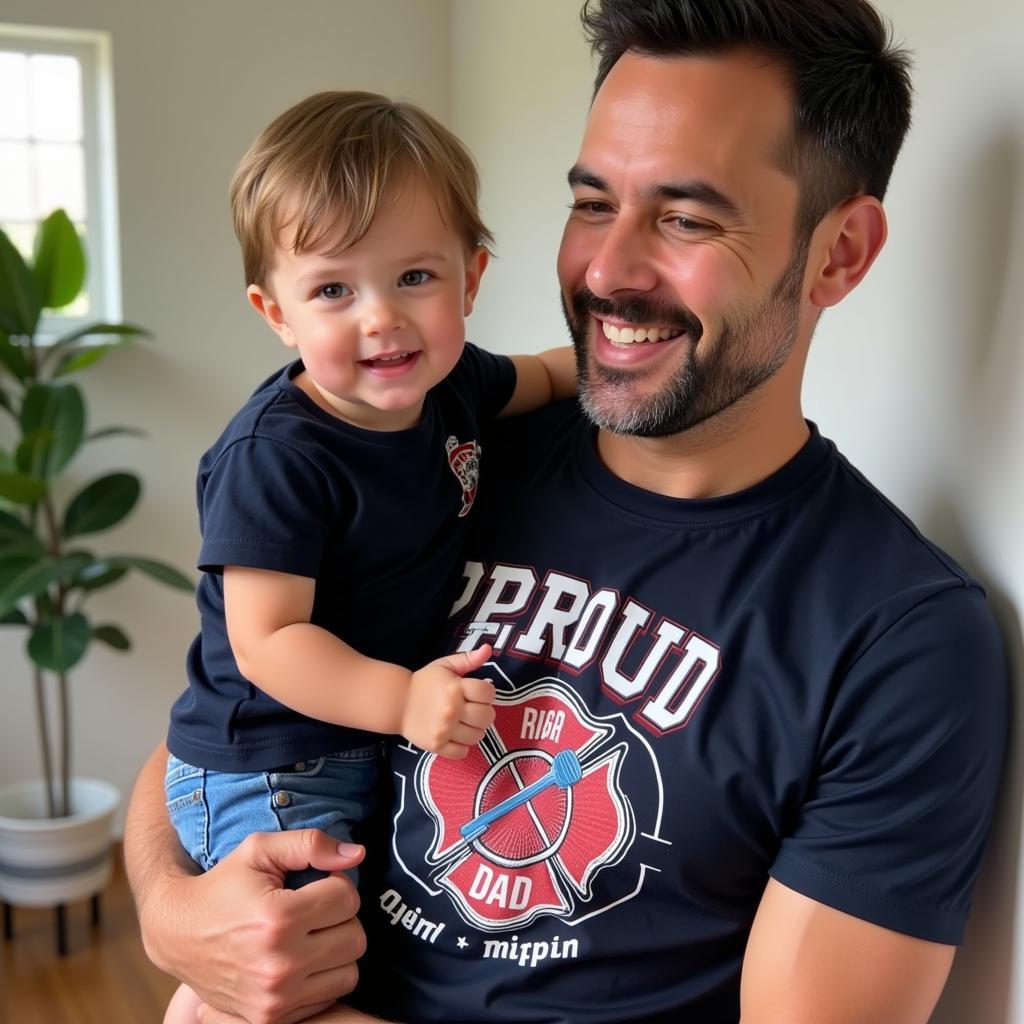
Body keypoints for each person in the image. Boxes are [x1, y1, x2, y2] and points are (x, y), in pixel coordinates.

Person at [128, 2, 1009, 1023]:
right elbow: (221, 717)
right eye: (594, 204)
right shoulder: (437, 453)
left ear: (837, 253)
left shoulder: (895, 640)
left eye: (684, 218)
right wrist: (169, 911)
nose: (606, 270)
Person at [159, 91, 575, 1023]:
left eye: (415, 278)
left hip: (343, 744)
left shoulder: (454, 383)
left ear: (472, 279)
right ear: (277, 312)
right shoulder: (278, 457)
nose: (382, 318)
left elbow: (547, 376)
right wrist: (403, 700)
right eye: (334, 290)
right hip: (269, 757)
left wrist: (615, 359)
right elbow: (266, 641)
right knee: (299, 964)